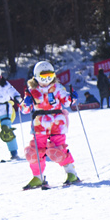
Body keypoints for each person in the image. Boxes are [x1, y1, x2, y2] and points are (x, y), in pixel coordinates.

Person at [20, 61, 80, 189]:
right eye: (43, 76)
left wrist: (72, 97)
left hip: (57, 123)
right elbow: (24, 110)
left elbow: (67, 102)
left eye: (50, 75)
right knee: (35, 151)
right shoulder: (31, 91)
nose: (47, 79)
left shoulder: (57, 88)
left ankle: (71, 173)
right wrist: (26, 102)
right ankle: (38, 177)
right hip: (39, 124)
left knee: (58, 150)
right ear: (36, 76)